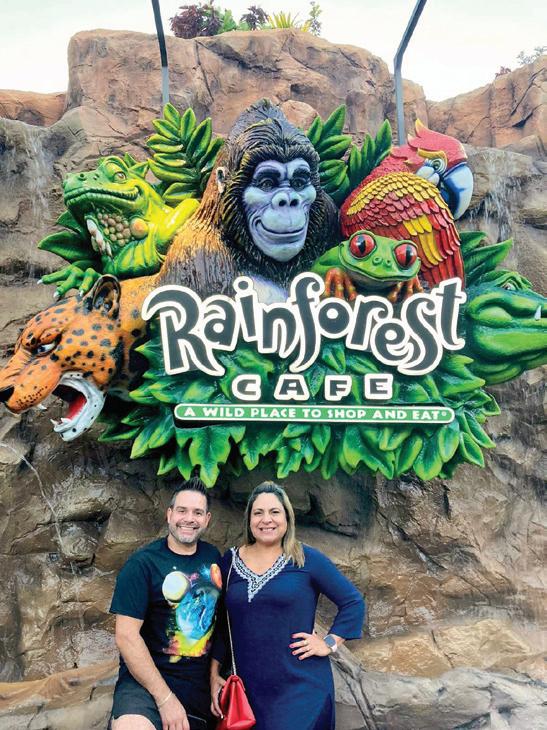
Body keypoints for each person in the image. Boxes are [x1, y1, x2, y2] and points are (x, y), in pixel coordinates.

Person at [210, 481, 365, 730]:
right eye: (258, 513)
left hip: (301, 689)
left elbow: (353, 602)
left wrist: (329, 643)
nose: (266, 520)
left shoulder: (306, 559)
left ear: (287, 518)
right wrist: (214, 673)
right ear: (249, 519)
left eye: (274, 512)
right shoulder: (230, 562)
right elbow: (224, 623)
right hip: (250, 692)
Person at [110, 477, 222, 730]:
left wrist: (215, 674)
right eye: (182, 510)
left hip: (197, 689)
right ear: (169, 514)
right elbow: (126, 637)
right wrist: (165, 699)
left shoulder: (214, 558)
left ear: (207, 519)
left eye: (197, 513)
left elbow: (224, 621)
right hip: (145, 685)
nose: (189, 519)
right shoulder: (142, 564)